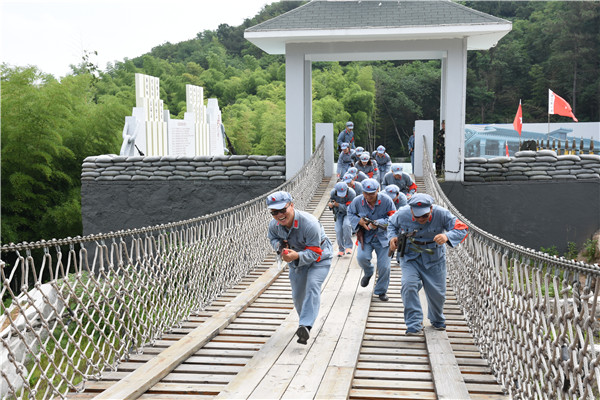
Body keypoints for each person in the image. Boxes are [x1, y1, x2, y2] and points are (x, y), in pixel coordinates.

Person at [387, 193, 468, 335]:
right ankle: (413, 323)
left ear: (431, 209)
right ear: (411, 210)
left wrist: (447, 236)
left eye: (424, 215)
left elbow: (463, 228)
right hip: (410, 256)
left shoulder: (442, 214)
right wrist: (392, 238)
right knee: (409, 285)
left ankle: (436, 319)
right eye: (417, 216)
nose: (420, 219)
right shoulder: (402, 213)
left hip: (434, 258)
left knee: (437, 293)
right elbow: (391, 224)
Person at [267, 191, 333, 344]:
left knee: (312, 286)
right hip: (296, 262)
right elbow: (273, 238)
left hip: (319, 259)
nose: (280, 215)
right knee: (298, 296)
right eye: (274, 212)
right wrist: (280, 247)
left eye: (283, 210)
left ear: (292, 205)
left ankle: (305, 326)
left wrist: (297, 256)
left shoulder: (310, 223)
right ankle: (304, 320)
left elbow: (315, 252)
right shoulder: (274, 225)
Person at [348, 179, 396, 302]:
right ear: (363, 192)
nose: (369, 196)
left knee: (384, 266)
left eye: (372, 193)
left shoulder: (387, 201)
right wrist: (359, 221)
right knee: (361, 258)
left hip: (383, 238)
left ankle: (381, 291)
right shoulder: (357, 201)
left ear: (378, 191)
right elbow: (350, 213)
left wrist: (379, 223)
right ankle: (369, 272)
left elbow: (393, 217)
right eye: (366, 193)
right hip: (366, 237)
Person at [329, 181, 356, 256]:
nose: (341, 196)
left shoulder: (352, 193)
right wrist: (331, 206)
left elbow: (350, 208)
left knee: (346, 225)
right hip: (338, 214)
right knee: (338, 230)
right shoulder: (332, 193)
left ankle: (348, 247)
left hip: (349, 213)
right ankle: (341, 249)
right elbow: (331, 202)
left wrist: (338, 205)